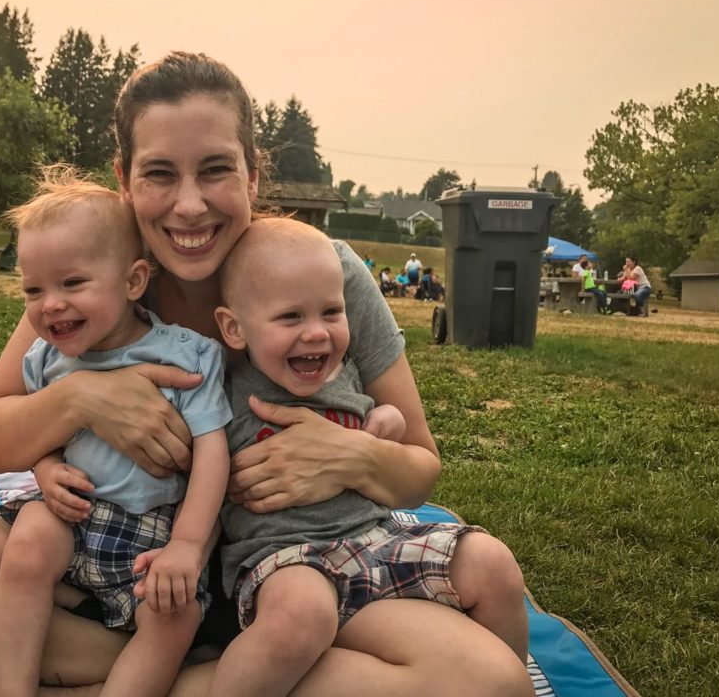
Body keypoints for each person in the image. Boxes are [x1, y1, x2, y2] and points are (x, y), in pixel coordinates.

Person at [0, 52, 533, 697]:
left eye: (215, 170)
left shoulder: (320, 274)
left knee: (490, 681)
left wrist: (355, 454)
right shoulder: (99, 279)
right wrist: (80, 400)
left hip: (282, 575)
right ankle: (145, 673)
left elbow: (420, 469)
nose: (189, 204)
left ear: (252, 171)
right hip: (105, 557)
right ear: (123, 180)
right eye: (159, 175)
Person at [208, 218, 528, 697]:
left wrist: (383, 430)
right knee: (301, 616)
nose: (316, 333)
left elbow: (390, 426)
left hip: (377, 538)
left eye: (331, 312)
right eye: (291, 318)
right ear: (234, 328)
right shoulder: (226, 393)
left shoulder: (346, 371)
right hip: (287, 558)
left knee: (492, 562)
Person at [0, 177, 231, 697]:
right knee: (29, 542)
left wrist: (187, 546)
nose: (49, 305)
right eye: (33, 290)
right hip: (74, 517)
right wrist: (45, 470)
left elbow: (212, 453)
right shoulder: (46, 359)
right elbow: (38, 438)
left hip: (153, 533)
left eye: (71, 284)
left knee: (174, 614)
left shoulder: (186, 356)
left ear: (133, 282)